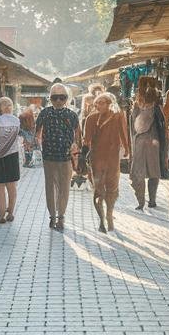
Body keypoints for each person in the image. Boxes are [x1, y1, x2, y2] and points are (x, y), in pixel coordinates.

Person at [83, 92, 129, 232]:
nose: (98, 105)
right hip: (97, 159)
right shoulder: (90, 118)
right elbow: (86, 140)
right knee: (98, 190)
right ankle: (101, 220)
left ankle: (109, 214)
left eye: (101, 103)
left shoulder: (118, 116)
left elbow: (123, 134)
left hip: (112, 159)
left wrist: (127, 150)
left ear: (109, 103)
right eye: (96, 103)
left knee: (112, 189)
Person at [36, 83, 80, 231]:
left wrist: (75, 147)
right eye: (55, 98)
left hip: (66, 157)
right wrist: (38, 145)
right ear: (50, 98)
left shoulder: (72, 115)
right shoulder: (45, 113)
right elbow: (37, 132)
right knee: (50, 187)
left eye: (62, 97)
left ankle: (61, 217)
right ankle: (52, 217)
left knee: (64, 188)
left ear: (67, 98)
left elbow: (78, 135)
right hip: (49, 156)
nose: (59, 101)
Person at [129, 82, 168, 210]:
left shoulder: (138, 107)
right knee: (153, 172)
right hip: (152, 143)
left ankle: (143, 201)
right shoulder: (156, 107)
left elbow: (132, 128)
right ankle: (150, 200)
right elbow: (163, 127)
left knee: (142, 173)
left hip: (143, 143)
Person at [0, 97, 21, 224]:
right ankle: (9, 213)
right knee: (11, 185)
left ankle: (2, 215)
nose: (7, 106)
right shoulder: (17, 120)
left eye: (9, 104)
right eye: (6, 104)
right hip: (12, 155)